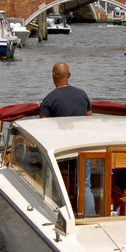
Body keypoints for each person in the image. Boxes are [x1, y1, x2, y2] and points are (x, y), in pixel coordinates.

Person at [39, 62, 95, 215]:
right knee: (84, 185)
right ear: (69, 75)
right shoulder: (82, 94)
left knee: (55, 184)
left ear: (53, 76)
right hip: (82, 146)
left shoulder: (49, 99)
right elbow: (90, 119)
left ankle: (58, 216)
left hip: (60, 149)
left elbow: (43, 128)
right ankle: (90, 218)